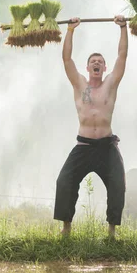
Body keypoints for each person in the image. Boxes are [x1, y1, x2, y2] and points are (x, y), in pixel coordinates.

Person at [53, 15, 128, 238]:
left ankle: (112, 231)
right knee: (64, 181)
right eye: (93, 61)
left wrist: (123, 27)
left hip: (106, 145)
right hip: (83, 145)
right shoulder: (79, 84)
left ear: (105, 67)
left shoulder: (111, 84)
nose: (96, 63)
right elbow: (66, 59)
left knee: (117, 185)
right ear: (87, 67)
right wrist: (70, 30)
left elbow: (122, 55)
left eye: (100, 61)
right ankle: (66, 228)